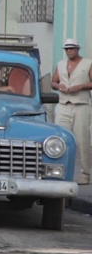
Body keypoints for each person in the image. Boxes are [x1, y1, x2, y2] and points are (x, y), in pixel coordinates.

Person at [51, 38, 92, 185]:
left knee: (82, 140)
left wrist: (80, 86)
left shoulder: (87, 63)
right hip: (63, 104)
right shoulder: (61, 64)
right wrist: (58, 85)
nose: (69, 51)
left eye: (72, 48)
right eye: (67, 49)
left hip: (81, 104)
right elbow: (53, 81)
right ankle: (59, 171)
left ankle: (85, 173)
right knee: (61, 139)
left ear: (77, 49)